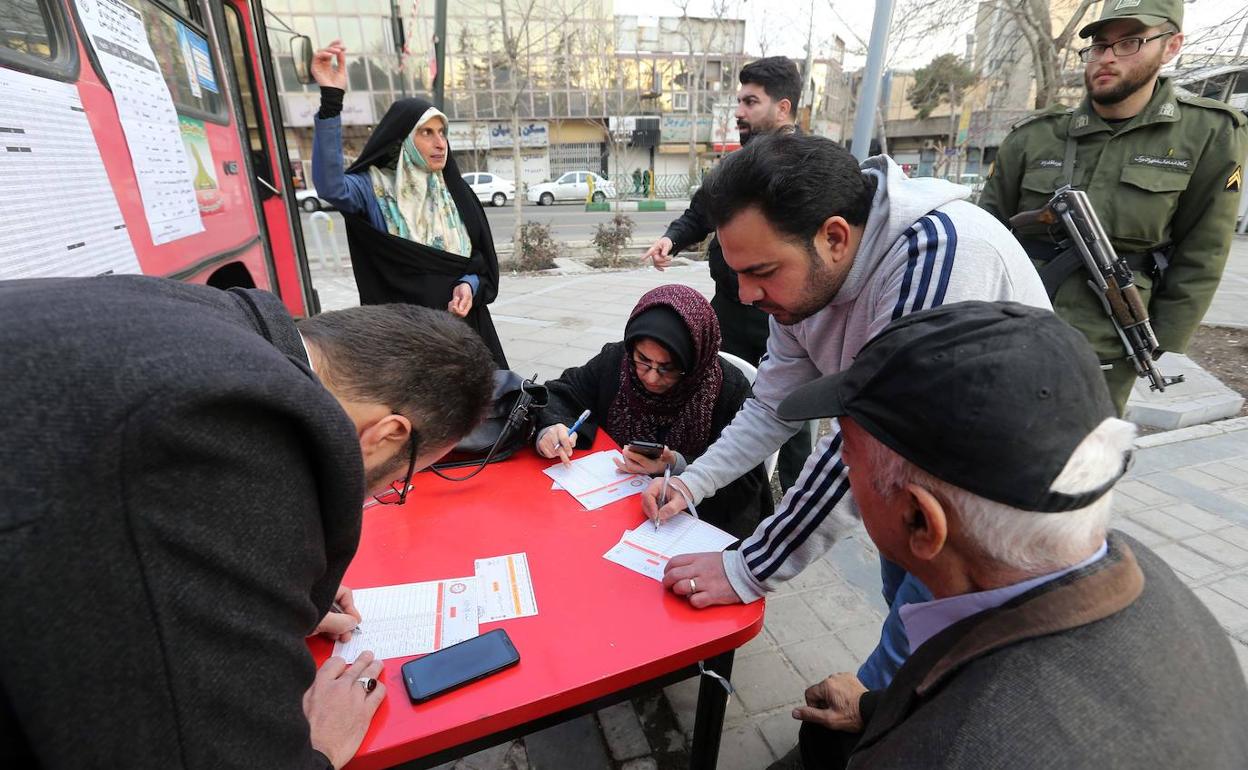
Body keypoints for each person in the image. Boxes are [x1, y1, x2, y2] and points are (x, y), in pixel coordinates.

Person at [0, 275, 496, 769]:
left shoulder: (197, 313)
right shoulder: (247, 436)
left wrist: (257, 601)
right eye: (400, 479)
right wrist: (317, 747)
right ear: (386, 436)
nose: (387, 490)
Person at [643, 133, 1050, 691]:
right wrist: (692, 485)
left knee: (923, 660)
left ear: (834, 237)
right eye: (737, 273)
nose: (744, 295)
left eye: (761, 271)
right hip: (912, 490)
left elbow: (870, 440)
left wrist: (748, 568)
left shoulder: (939, 258)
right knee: (904, 615)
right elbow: (773, 407)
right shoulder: (801, 289)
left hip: (993, 507)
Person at [768, 301, 1248, 769]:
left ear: (920, 520)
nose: (844, 471)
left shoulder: (949, 748)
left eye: (847, 454)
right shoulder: (1132, 565)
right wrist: (872, 709)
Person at [979, 0, 1247, 413]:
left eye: (1129, 43)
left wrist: (1163, 342)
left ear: (1171, 45)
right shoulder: (1035, 136)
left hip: (1107, 343)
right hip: (1009, 328)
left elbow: (1203, 251)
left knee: (1080, 465)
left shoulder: (1208, 133)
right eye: (1100, 45)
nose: (1106, 58)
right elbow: (984, 232)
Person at [643, 56, 813, 492]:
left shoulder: (810, 169)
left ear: (783, 107)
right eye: (738, 101)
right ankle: (715, 473)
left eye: (750, 102)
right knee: (721, 390)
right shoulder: (736, 168)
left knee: (791, 407)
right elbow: (700, 212)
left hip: (785, 314)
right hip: (729, 309)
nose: (738, 111)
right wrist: (672, 239)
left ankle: (792, 495)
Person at [310, 39, 508, 368]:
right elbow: (331, 186)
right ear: (404, 139)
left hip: (464, 331)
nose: (439, 143)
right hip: (407, 343)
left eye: (442, 132)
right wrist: (332, 99)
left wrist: (468, 285)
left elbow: (479, 262)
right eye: (426, 133)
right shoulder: (375, 189)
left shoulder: (456, 193)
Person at [535, 285, 772, 538]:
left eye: (668, 368)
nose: (650, 377)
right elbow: (560, 393)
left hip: (687, 523)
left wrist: (678, 466)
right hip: (605, 509)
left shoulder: (727, 389)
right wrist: (552, 428)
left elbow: (746, 480)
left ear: (694, 360)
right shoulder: (617, 362)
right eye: (643, 360)